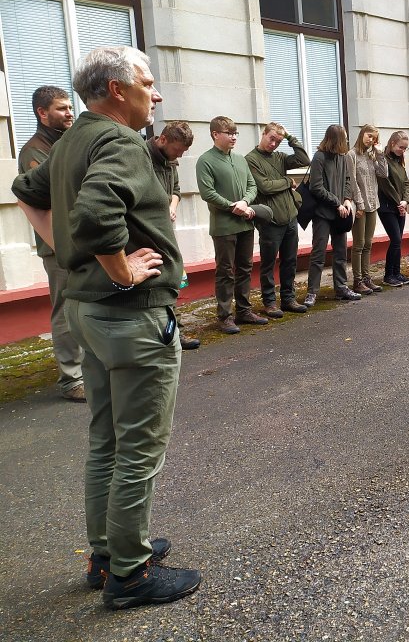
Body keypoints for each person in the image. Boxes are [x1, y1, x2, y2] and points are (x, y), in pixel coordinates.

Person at [10, 46, 201, 609]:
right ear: (118, 89)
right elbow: (96, 215)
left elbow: (25, 193)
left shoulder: (71, 139)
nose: (156, 94)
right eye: (147, 82)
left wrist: (71, 254)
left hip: (87, 312)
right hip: (131, 315)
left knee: (107, 439)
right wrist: (119, 270)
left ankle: (107, 554)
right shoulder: (120, 141)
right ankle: (131, 574)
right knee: (138, 447)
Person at [16, 85, 85, 401]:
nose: (70, 113)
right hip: (57, 244)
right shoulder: (35, 151)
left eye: (70, 107)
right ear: (42, 113)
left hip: (80, 238)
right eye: (62, 108)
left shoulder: (66, 143)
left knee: (85, 307)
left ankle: (89, 370)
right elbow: (53, 195)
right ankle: (72, 380)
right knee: (66, 310)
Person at [196, 116, 268, 333]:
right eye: (229, 133)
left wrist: (245, 202)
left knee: (245, 268)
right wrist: (232, 206)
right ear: (215, 134)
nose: (234, 137)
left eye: (236, 133)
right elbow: (207, 193)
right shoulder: (205, 160)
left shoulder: (240, 159)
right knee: (225, 271)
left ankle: (244, 311)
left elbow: (252, 186)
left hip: (245, 223)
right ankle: (225, 316)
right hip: (224, 226)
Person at [245, 121, 310, 316]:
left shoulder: (280, 157)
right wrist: (287, 181)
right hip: (270, 221)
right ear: (263, 134)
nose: (273, 144)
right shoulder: (251, 159)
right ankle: (269, 302)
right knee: (268, 263)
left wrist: (290, 138)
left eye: (278, 141)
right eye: (271, 138)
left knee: (290, 261)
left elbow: (304, 159)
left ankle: (288, 299)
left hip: (290, 217)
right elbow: (265, 187)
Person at [148, 121, 201, 349]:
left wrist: (172, 205)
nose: (179, 155)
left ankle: (176, 332)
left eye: (183, 152)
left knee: (172, 280)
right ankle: (160, 337)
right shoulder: (141, 157)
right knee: (155, 285)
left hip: (166, 230)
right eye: (177, 150)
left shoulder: (170, 161)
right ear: (163, 139)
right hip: (147, 233)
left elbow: (176, 190)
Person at [305, 124, 360, 304]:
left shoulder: (343, 157)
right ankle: (312, 292)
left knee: (341, 252)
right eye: (344, 138)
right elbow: (316, 187)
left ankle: (341, 288)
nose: (347, 141)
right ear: (336, 139)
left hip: (340, 213)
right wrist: (337, 203)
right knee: (318, 253)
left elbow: (348, 180)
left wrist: (347, 199)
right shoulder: (319, 157)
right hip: (322, 213)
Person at [348, 124, 388, 294]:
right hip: (360, 205)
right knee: (359, 244)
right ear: (362, 134)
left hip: (373, 203)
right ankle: (357, 280)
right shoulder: (351, 155)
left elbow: (384, 174)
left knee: (368, 243)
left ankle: (366, 278)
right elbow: (352, 181)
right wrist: (359, 203)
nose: (371, 140)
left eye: (374, 138)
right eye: (369, 136)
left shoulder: (372, 155)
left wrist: (380, 154)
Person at [376, 131, 409, 287]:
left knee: (398, 241)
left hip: (401, 206)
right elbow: (385, 184)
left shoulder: (399, 161)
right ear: (392, 143)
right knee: (396, 239)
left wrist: (405, 201)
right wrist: (398, 202)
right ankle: (388, 275)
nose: (403, 151)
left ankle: (397, 273)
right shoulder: (383, 160)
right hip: (387, 207)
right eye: (401, 147)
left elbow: (406, 183)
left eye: (405, 148)